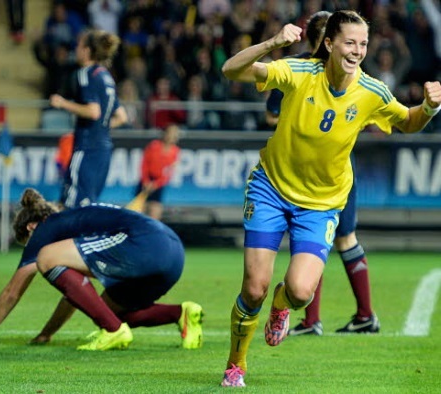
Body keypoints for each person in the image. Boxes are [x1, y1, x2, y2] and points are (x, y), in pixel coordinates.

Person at [219, 10, 441, 388]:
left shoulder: (372, 92)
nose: (358, 51)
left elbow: (407, 121)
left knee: (301, 293)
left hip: (321, 204)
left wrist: (430, 108)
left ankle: (281, 306)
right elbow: (231, 70)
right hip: (271, 188)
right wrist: (273, 43)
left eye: (364, 44)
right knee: (253, 288)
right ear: (329, 44)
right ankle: (235, 364)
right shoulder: (298, 73)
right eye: (350, 42)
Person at [0, 188, 203, 351]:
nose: (30, 248)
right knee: (109, 309)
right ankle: (180, 314)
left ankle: (113, 331)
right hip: (172, 252)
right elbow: (74, 295)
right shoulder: (74, 225)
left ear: (31, 226)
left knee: (45, 258)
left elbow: (11, 292)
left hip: (145, 244)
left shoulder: (45, 230)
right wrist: (47, 334)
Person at [265, 11, 380, 337]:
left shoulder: (302, 66)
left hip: (317, 171)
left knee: (318, 239)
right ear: (327, 39)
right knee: (335, 238)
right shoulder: (349, 71)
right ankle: (359, 315)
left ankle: (319, 318)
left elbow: (271, 114)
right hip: (339, 166)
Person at [49, 29, 128, 209]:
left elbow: (93, 112)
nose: (76, 49)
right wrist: (100, 129)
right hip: (103, 151)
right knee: (86, 207)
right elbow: (122, 117)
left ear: (87, 50)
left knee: (70, 208)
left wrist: (62, 103)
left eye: (79, 45)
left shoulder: (86, 74)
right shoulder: (106, 77)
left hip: (86, 149)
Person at [134, 124, 181, 220]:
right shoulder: (154, 146)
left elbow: (169, 173)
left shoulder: (175, 152)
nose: (171, 137)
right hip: (146, 182)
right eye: (169, 133)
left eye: (174, 134)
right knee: (138, 212)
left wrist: (156, 184)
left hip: (158, 184)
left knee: (155, 213)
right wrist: (146, 181)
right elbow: (144, 164)